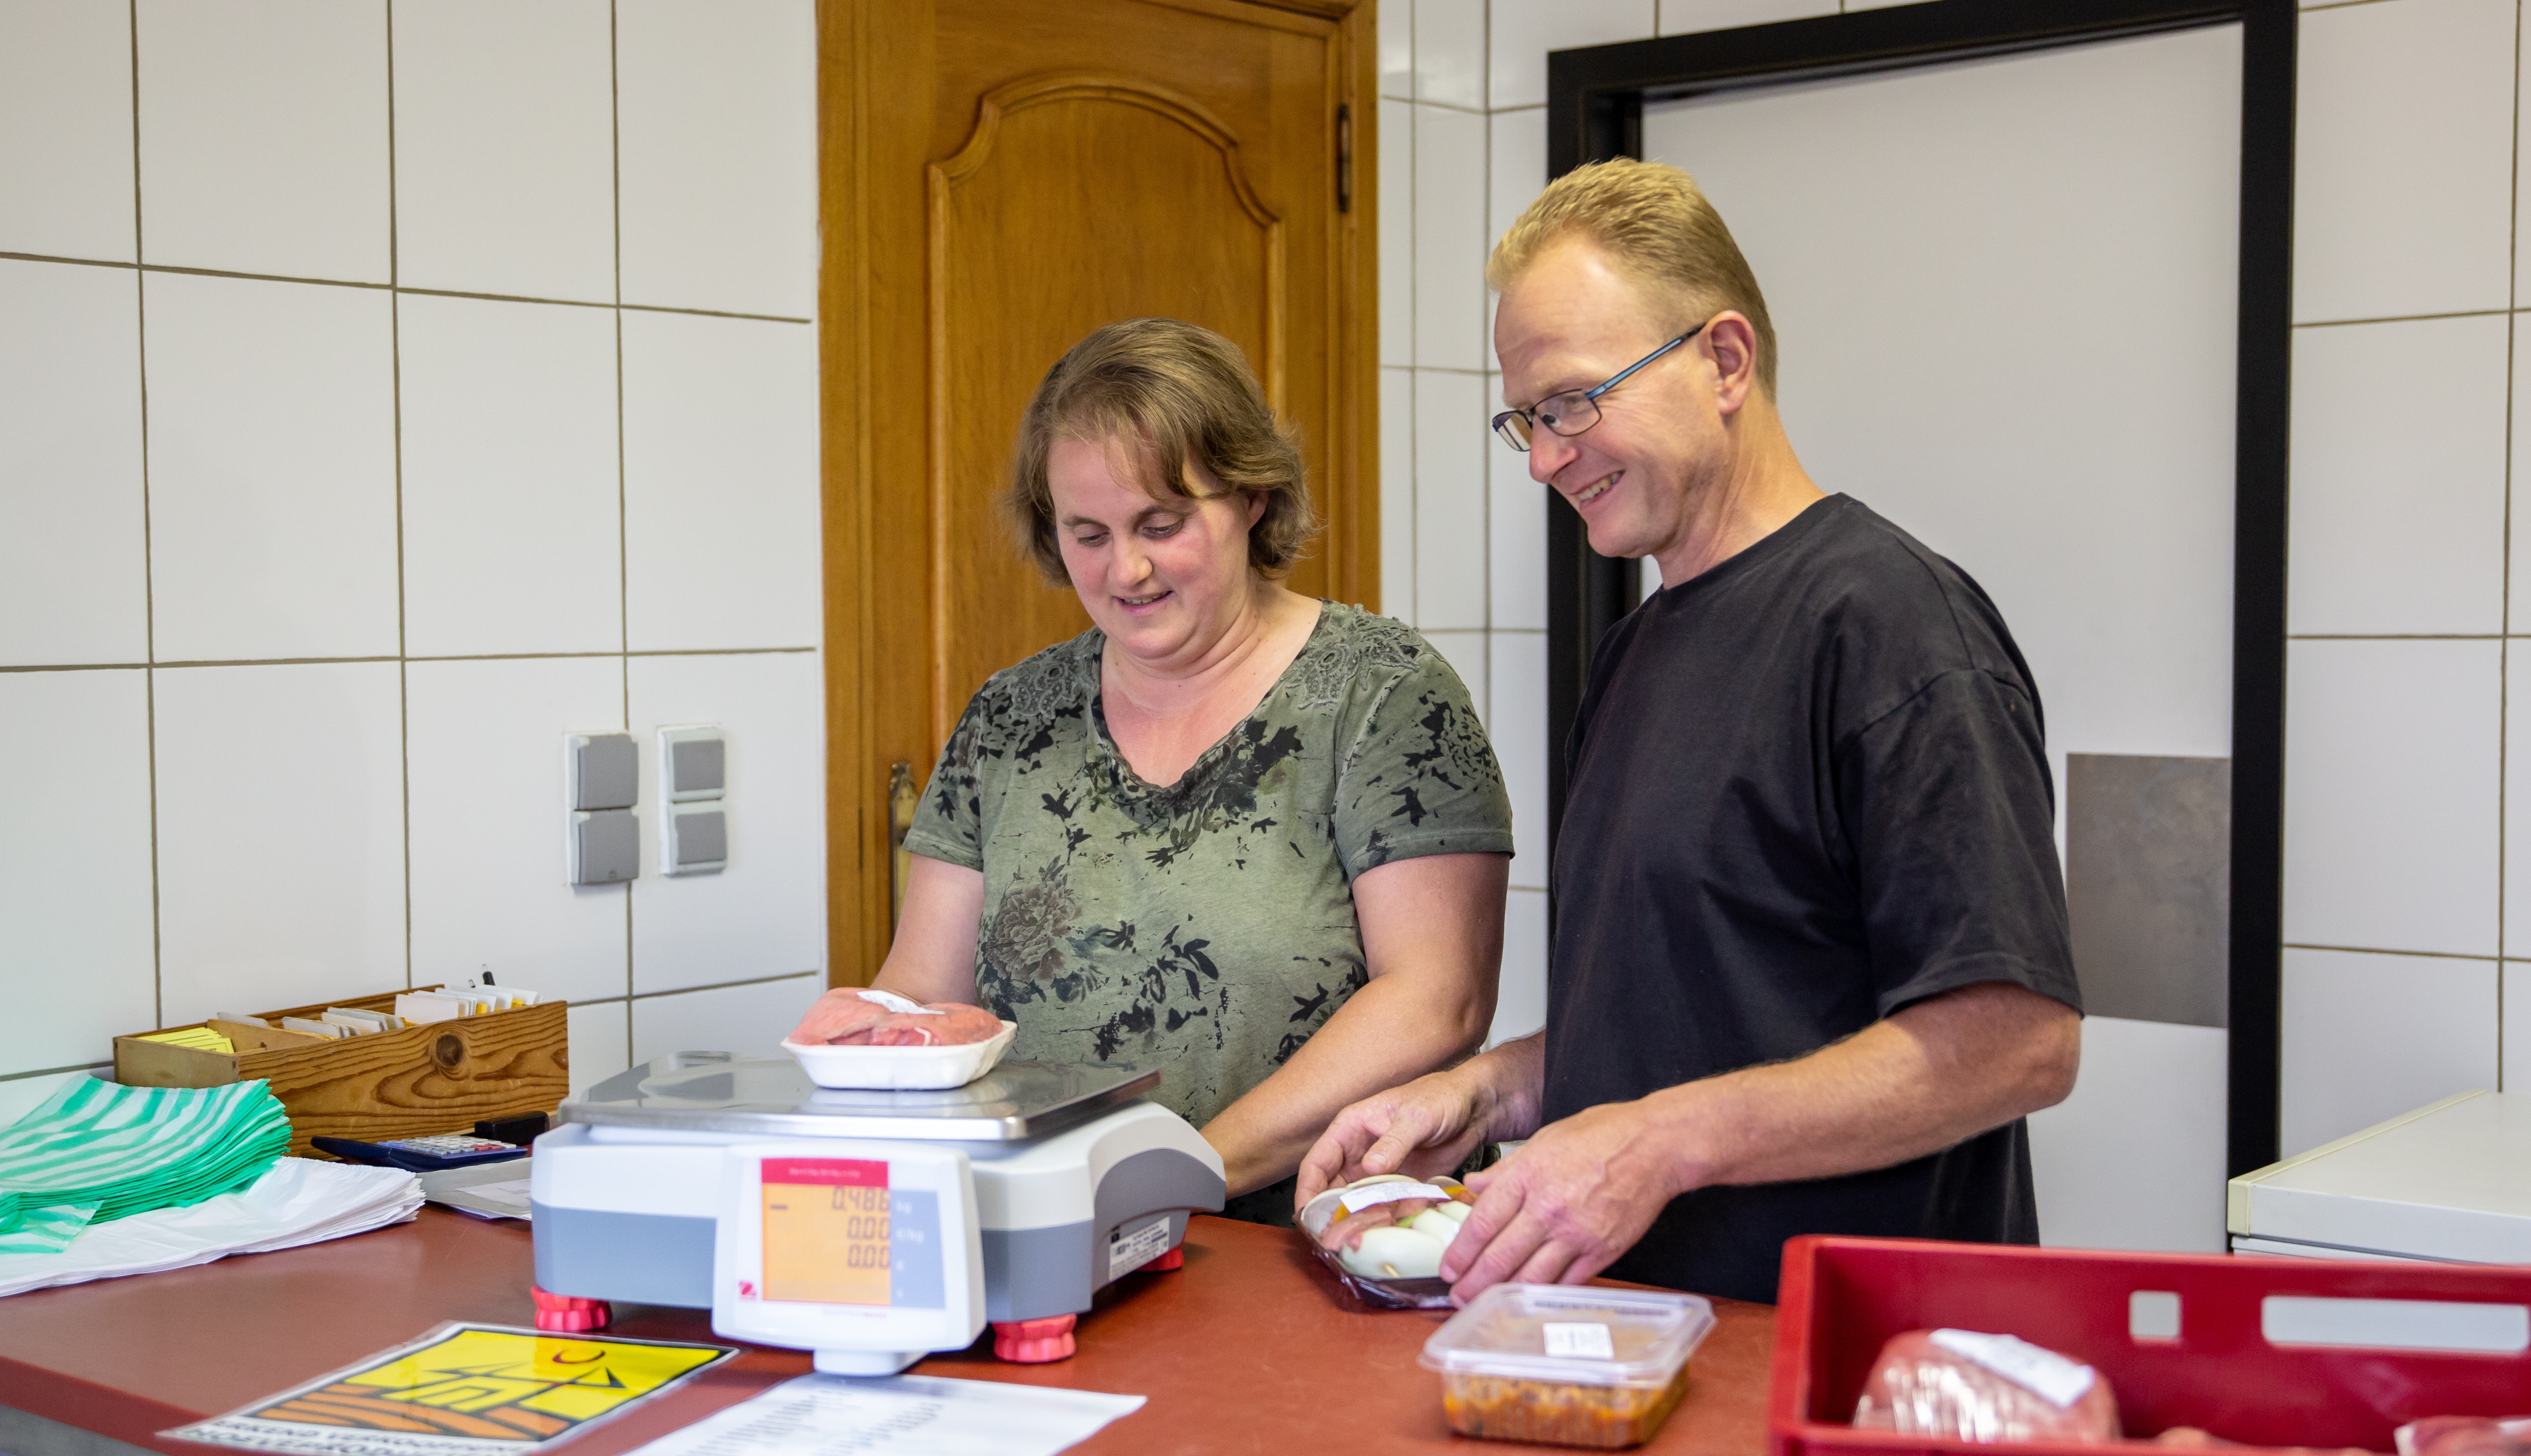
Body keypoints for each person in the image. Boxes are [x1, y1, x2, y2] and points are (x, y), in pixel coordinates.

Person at [1297, 160, 2083, 1303]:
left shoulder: (1892, 628)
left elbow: (2019, 1041)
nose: (1546, 458)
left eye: (1573, 403)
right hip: (1643, 1352)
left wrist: (1662, 1143)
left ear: (1723, 359)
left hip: (1840, 1361)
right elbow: (1685, 1021)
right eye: (1525, 417)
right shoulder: (1637, 652)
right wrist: (1484, 1094)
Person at [873, 317, 1514, 1222]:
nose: (1125, 569)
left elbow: (1437, 1001)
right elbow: (927, 991)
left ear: (1252, 497)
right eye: (1087, 533)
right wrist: (869, 1032)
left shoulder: (1383, 696)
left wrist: (1177, 1174)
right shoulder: (1012, 720)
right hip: (1065, 1237)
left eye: (1161, 524)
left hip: (1327, 1241)